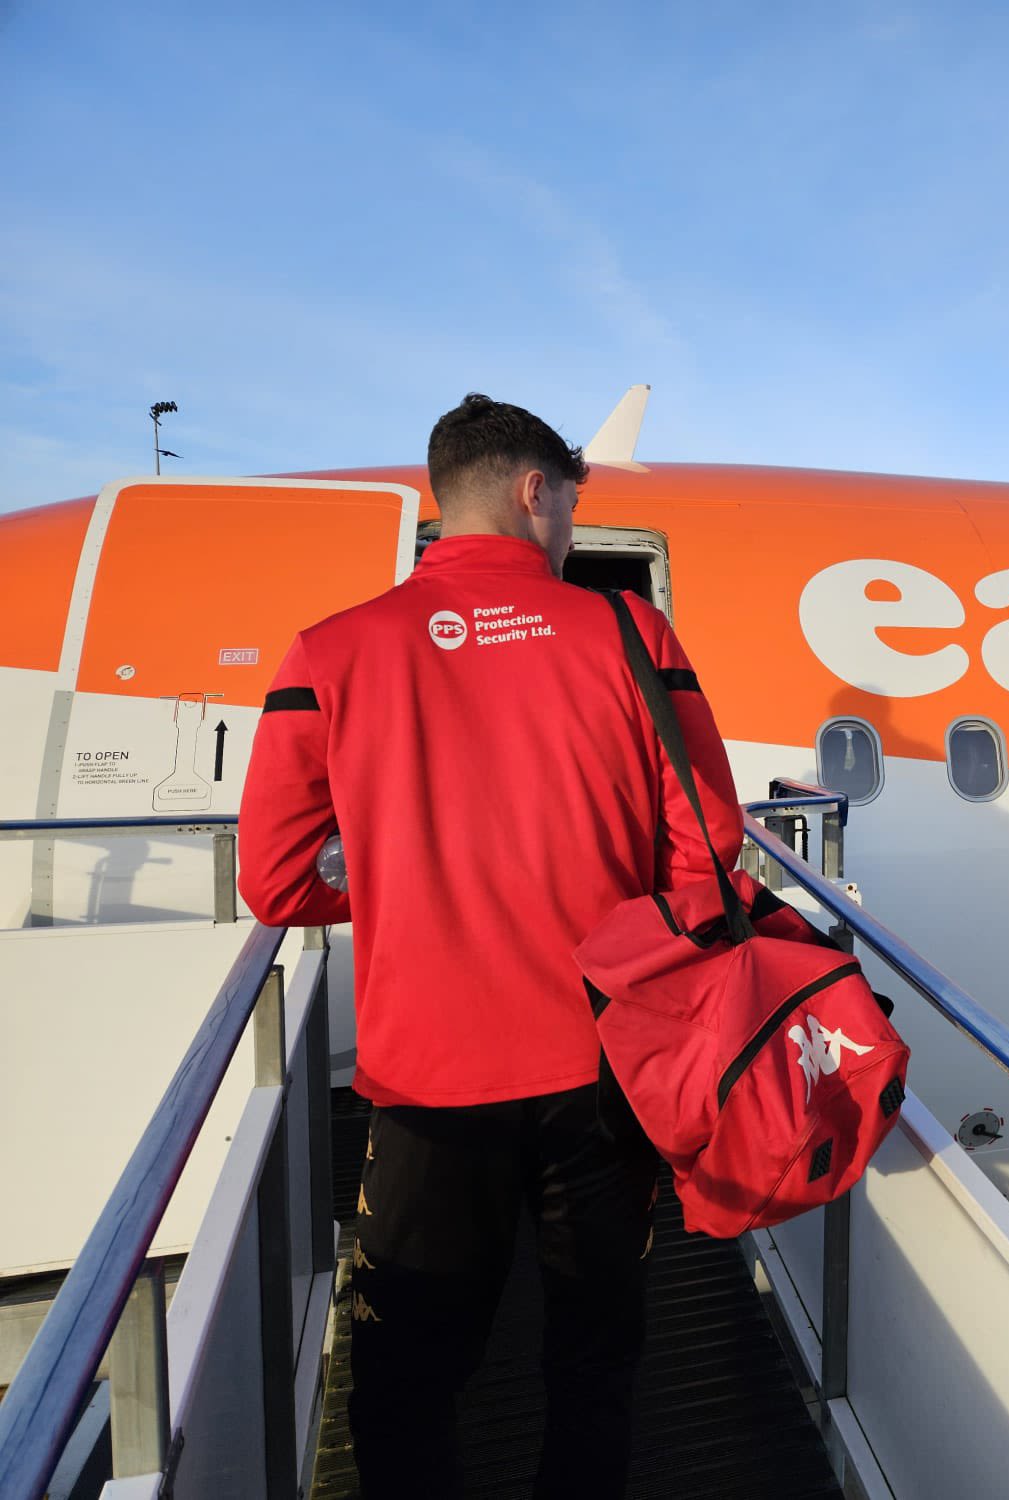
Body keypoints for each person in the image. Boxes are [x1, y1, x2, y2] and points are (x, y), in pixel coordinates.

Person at [238, 393, 738, 1498]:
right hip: (602, 1069)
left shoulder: (330, 652)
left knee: (411, 1376)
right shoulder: (628, 631)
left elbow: (273, 882)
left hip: (426, 1083)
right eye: (566, 503)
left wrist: (406, 889)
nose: (566, 528)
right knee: (593, 1357)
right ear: (532, 491)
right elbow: (710, 843)